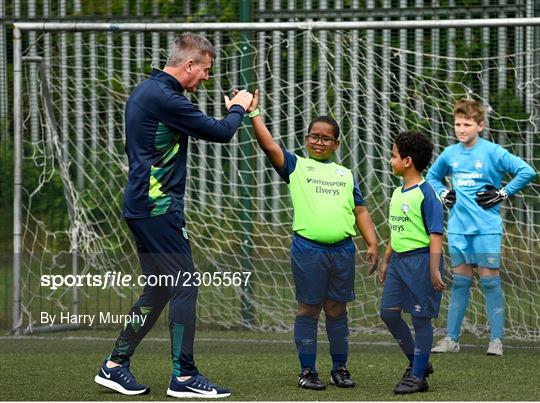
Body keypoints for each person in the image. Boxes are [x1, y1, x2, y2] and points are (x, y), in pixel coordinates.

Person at [93, 33, 253, 398]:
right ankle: (183, 376)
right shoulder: (166, 98)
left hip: (144, 206)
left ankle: (115, 365)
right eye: (206, 70)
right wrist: (239, 106)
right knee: (185, 284)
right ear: (190, 64)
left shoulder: (148, 91)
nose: (207, 78)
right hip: (156, 208)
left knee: (161, 287)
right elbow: (221, 132)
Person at [246, 89, 379, 390]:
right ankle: (307, 371)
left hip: (343, 251)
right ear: (306, 139)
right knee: (308, 309)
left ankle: (340, 368)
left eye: (326, 138)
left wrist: (372, 242)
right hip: (308, 250)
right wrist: (254, 114)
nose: (319, 142)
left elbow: (360, 211)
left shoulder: (345, 174)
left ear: (336, 143)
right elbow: (269, 146)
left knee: (337, 309)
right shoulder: (297, 167)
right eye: (314, 136)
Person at [427, 98, 536, 356]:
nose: (461, 129)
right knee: (461, 282)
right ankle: (451, 339)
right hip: (458, 229)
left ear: (480, 125)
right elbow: (431, 176)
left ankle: (496, 340)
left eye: (467, 124)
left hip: (486, 229)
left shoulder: (493, 152)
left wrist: (503, 193)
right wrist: (443, 193)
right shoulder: (450, 153)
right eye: (457, 124)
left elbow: (526, 171)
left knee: (490, 282)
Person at [379, 131, 446, 394]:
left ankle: (418, 377)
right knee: (388, 313)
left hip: (421, 263)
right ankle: (419, 360)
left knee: (420, 319)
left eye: (394, 155)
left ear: (407, 161)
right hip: (398, 263)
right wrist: (386, 261)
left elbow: (436, 234)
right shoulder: (397, 193)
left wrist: (433, 268)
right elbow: (396, 232)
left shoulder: (427, 194)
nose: (390, 159)